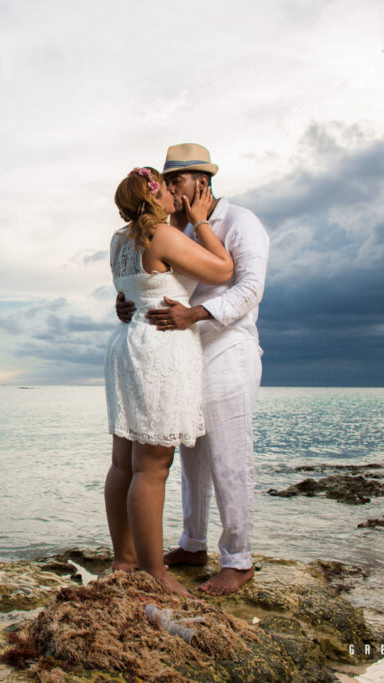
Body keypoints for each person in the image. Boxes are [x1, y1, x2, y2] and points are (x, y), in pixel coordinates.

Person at [116, 143, 270, 596]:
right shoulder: (167, 226)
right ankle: (192, 543)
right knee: (189, 453)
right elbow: (152, 278)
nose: (167, 188)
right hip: (180, 353)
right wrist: (129, 300)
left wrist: (197, 315)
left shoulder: (241, 222)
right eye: (163, 183)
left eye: (174, 181)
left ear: (200, 182)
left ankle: (238, 560)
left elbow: (250, 287)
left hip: (227, 347)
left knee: (228, 455)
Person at [104, 165, 233, 598]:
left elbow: (130, 291)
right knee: (153, 466)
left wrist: (124, 305)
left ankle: (124, 560)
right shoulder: (161, 235)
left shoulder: (119, 241)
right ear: (155, 195)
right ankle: (156, 573)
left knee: (124, 459)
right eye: (167, 187)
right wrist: (199, 221)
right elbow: (222, 271)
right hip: (159, 346)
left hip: (128, 341)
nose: (175, 193)